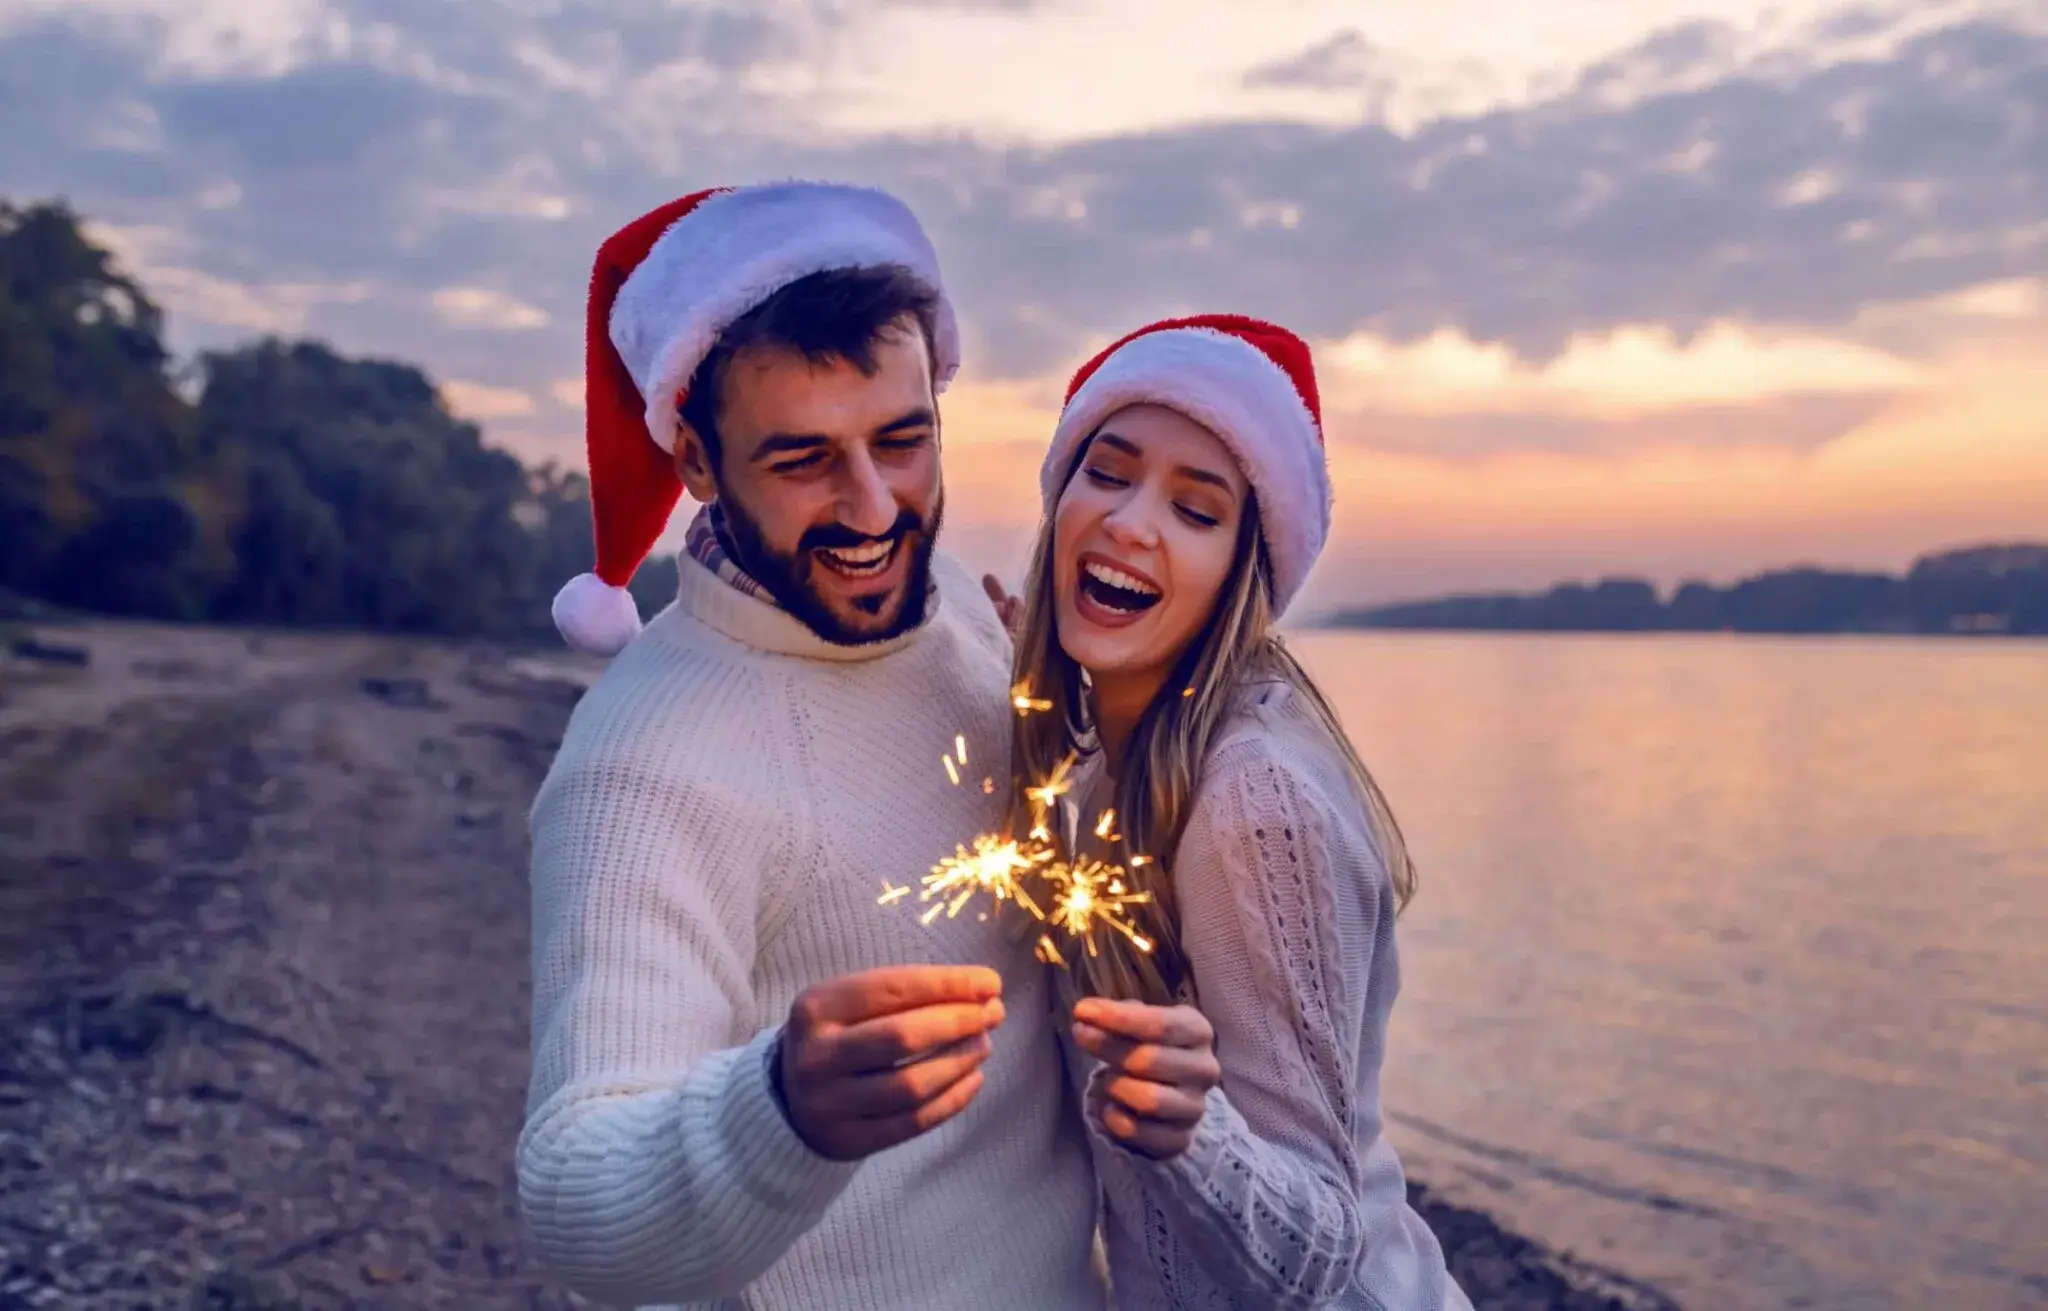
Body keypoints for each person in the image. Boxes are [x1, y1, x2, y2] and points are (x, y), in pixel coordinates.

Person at [517, 183, 1102, 1310]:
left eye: (902, 440)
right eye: (802, 460)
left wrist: (1083, 746)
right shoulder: (641, 766)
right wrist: (778, 1110)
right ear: (693, 459)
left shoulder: (955, 608)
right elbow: (576, 1201)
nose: (874, 510)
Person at [1000, 315, 1473, 1309]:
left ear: (1236, 580)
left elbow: (1320, 1251)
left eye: (1196, 509)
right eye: (1109, 472)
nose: (1131, 522)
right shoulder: (1095, 769)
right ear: (1060, 499)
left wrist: (1192, 1131)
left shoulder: (1249, 804)